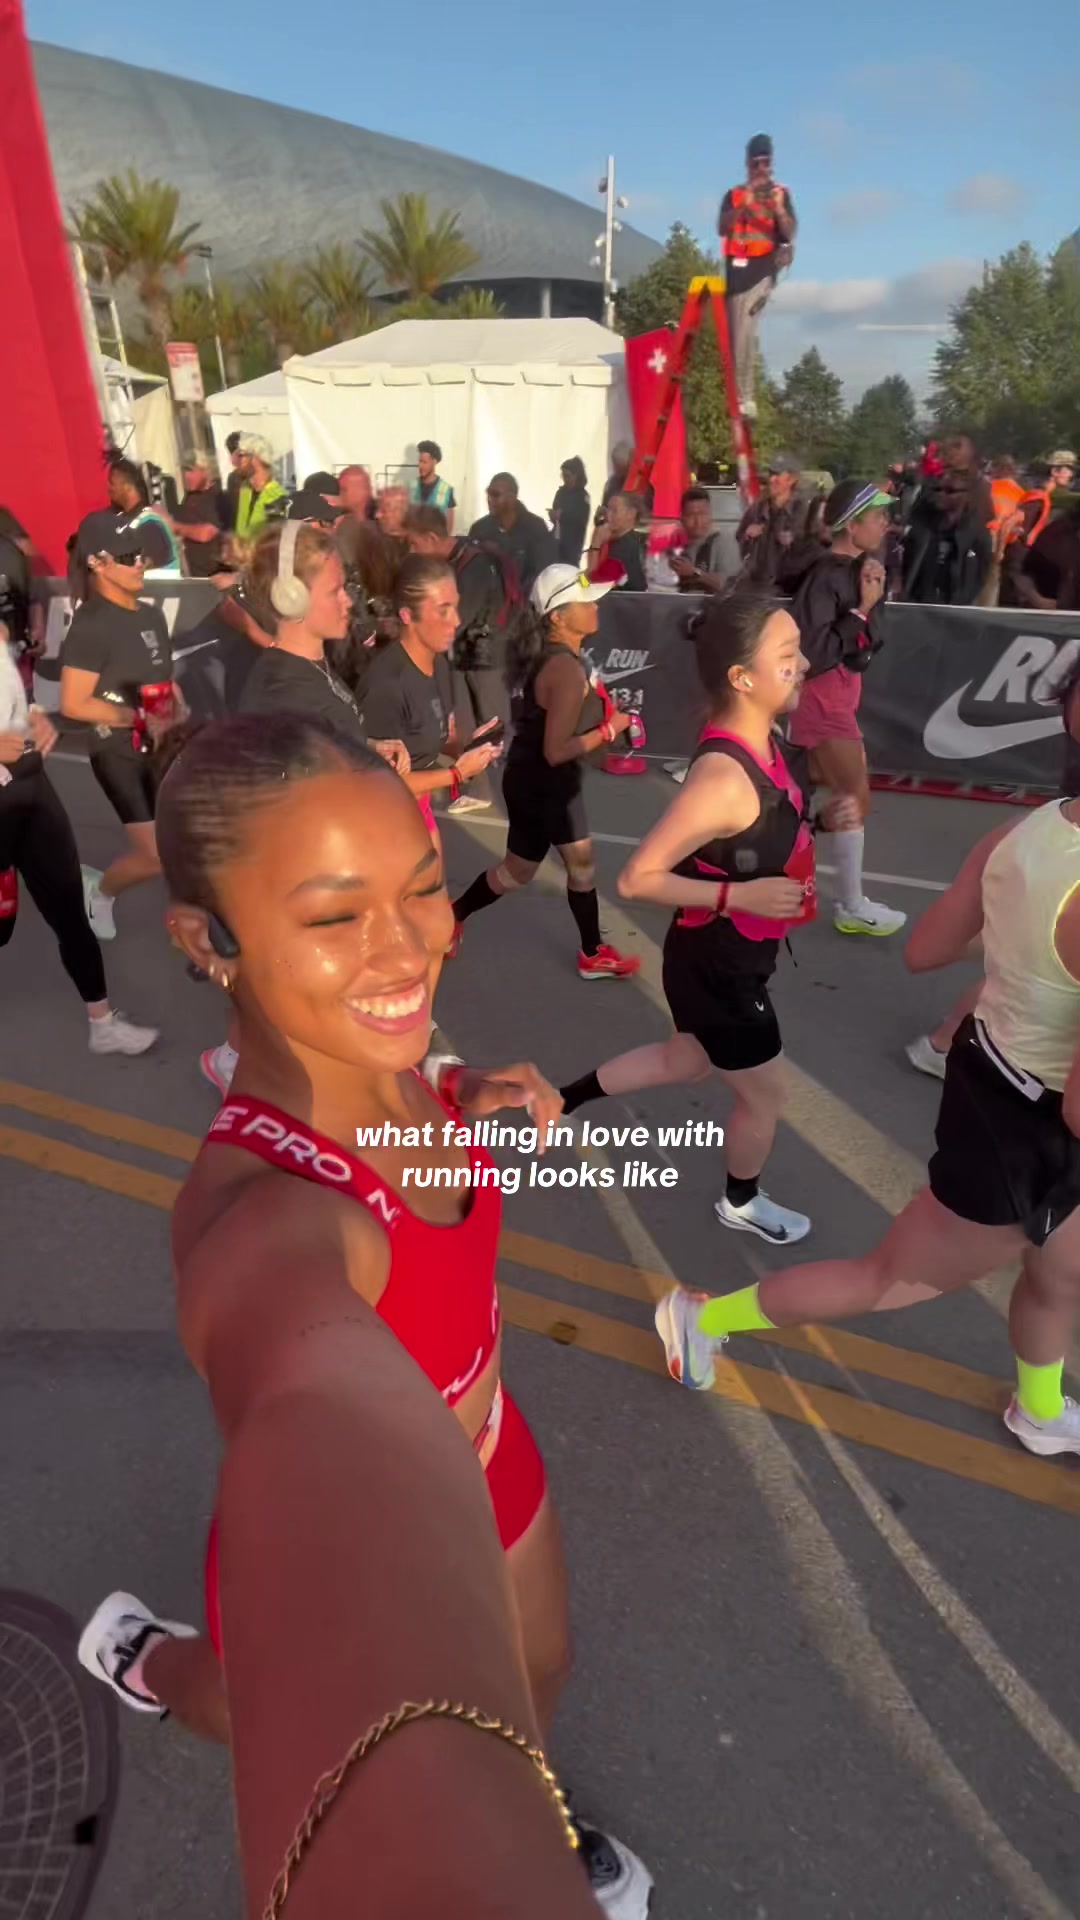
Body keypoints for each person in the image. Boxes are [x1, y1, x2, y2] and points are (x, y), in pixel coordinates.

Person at [76, 710, 650, 1916]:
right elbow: (304, 1376)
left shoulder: (396, 1068)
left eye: (424, 890)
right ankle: (152, 1660)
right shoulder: (267, 1218)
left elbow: (398, 1082)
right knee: (250, 1705)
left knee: (541, 1668)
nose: (410, 949)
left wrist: (454, 1084)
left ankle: (531, 1807)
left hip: (492, 1447)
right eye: (337, 918)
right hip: (363, 1527)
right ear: (206, 939)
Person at [655, 757, 1080, 1473]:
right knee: (886, 1278)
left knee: (1061, 1270)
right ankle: (702, 1319)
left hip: (994, 1070)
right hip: (1023, 1133)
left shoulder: (1025, 831)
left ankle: (1039, 1409)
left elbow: (927, 950)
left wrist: (1030, 944)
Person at [561, 593, 814, 1245]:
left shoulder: (764, 740)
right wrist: (741, 898)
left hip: (724, 956)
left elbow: (762, 825)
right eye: (788, 655)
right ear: (742, 678)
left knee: (686, 1060)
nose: (805, 665)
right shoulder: (723, 780)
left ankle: (560, 1100)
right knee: (765, 1095)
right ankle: (741, 1202)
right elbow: (636, 878)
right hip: (721, 968)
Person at [451, 564, 640, 980]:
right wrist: (610, 730)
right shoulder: (566, 669)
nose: (595, 607)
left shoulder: (551, 656)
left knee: (517, 871)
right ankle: (592, 952)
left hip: (526, 778)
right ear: (558, 618)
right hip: (549, 784)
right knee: (581, 865)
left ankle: (451, 918)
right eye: (585, 602)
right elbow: (556, 751)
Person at [0, 626, 156, 1056]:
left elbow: (10, 693)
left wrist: (33, 714)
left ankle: (102, 1023)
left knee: (69, 907)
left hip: (30, 783)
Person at [788, 480, 906, 938]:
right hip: (821, 696)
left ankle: (758, 858)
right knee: (854, 795)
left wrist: (872, 601)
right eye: (877, 517)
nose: (886, 524)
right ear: (851, 526)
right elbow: (814, 648)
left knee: (808, 791)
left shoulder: (857, 570)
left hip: (837, 693)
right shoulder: (826, 575)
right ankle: (850, 905)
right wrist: (862, 609)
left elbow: (868, 644)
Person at [60, 512, 185, 939]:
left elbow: (163, 681)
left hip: (160, 746)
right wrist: (135, 717)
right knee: (154, 856)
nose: (140, 564)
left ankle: (194, 924)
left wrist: (175, 709)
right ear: (97, 563)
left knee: (184, 840)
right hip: (116, 750)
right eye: (129, 557)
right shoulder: (91, 625)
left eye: (141, 554)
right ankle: (100, 891)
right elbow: (73, 703)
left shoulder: (151, 616)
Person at [362, 555, 502, 837]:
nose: (457, 621)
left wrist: (470, 747)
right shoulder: (386, 684)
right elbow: (379, 782)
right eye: (443, 611)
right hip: (385, 820)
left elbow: (425, 740)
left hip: (417, 808)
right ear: (406, 616)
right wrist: (456, 774)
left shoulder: (438, 665)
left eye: (456, 607)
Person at [405, 504, 520, 815]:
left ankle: (511, 789)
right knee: (467, 724)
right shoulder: (455, 562)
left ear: (431, 538)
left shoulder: (475, 565)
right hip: (463, 654)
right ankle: (480, 788)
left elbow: (457, 619)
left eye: (414, 543)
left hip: (488, 657)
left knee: (493, 723)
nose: (412, 551)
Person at [718, 134, 796, 417]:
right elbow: (722, 227)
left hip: (762, 272)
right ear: (748, 164)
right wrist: (744, 203)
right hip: (736, 276)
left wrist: (778, 209)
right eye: (756, 163)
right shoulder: (734, 195)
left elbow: (789, 232)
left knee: (745, 332)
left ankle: (745, 398)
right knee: (736, 338)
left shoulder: (780, 194)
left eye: (766, 162)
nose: (761, 169)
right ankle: (739, 396)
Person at [901, 466, 992, 605]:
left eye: (950, 491)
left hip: (956, 612)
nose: (941, 495)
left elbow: (979, 581)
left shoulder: (978, 537)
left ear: (967, 495)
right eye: (937, 490)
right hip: (917, 608)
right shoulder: (921, 531)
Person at [470, 473, 556, 595]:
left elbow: (543, 573)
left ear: (511, 498)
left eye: (495, 495)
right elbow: (472, 573)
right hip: (488, 603)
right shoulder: (479, 529)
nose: (489, 499)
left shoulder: (536, 528)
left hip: (525, 602)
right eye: (488, 494)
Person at [106, 457, 182, 576]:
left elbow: (142, 571)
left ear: (127, 486)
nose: (109, 488)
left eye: (112, 483)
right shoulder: (122, 521)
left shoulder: (150, 524)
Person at [735, 455, 802, 587]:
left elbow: (815, 550)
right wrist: (747, 536)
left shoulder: (802, 512)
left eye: (777, 475)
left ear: (791, 479)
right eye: (771, 474)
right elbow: (738, 542)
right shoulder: (756, 509)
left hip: (789, 589)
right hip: (756, 586)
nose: (771, 479)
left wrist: (793, 544)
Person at [172, 461, 228, 578]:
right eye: (185, 471)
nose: (187, 476)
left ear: (206, 472)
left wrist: (176, 527)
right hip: (192, 574)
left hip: (213, 576)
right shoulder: (190, 496)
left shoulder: (217, 497)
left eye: (191, 471)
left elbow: (207, 533)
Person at [667, 488, 727, 594]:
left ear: (710, 515)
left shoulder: (723, 542)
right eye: (691, 515)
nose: (697, 521)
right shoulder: (673, 545)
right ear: (682, 518)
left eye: (702, 514)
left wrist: (694, 573)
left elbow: (730, 585)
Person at [587, 491, 646, 591]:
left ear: (631, 514)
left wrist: (595, 543)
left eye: (614, 511)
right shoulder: (621, 540)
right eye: (608, 509)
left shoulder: (624, 549)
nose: (608, 515)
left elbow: (592, 584)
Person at [234, 436, 289, 539]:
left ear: (256, 458)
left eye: (241, 455)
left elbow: (277, 540)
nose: (235, 462)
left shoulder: (277, 495)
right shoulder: (245, 490)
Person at [550, 458, 591, 567]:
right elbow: (555, 508)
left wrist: (562, 515)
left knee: (571, 571)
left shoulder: (582, 496)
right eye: (563, 475)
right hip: (557, 541)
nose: (565, 479)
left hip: (572, 544)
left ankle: (583, 580)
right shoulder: (560, 492)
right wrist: (553, 515)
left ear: (576, 476)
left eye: (567, 476)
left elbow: (581, 518)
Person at [410, 440, 455, 529]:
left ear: (434, 462)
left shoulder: (446, 490)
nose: (420, 466)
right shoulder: (411, 487)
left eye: (424, 462)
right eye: (419, 462)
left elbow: (449, 526)